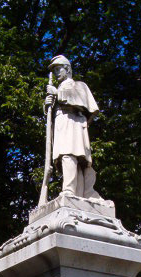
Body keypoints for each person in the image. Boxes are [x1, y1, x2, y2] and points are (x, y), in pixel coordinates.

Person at [45, 55, 101, 198]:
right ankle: (77, 192)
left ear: (68, 69)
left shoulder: (79, 85)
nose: (57, 73)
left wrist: (57, 94)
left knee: (69, 154)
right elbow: (51, 113)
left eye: (59, 69)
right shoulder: (58, 89)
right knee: (65, 156)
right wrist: (47, 105)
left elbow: (83, 103)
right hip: (60, 122)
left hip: (73, 121)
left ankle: (70, 190)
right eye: (54, 70)